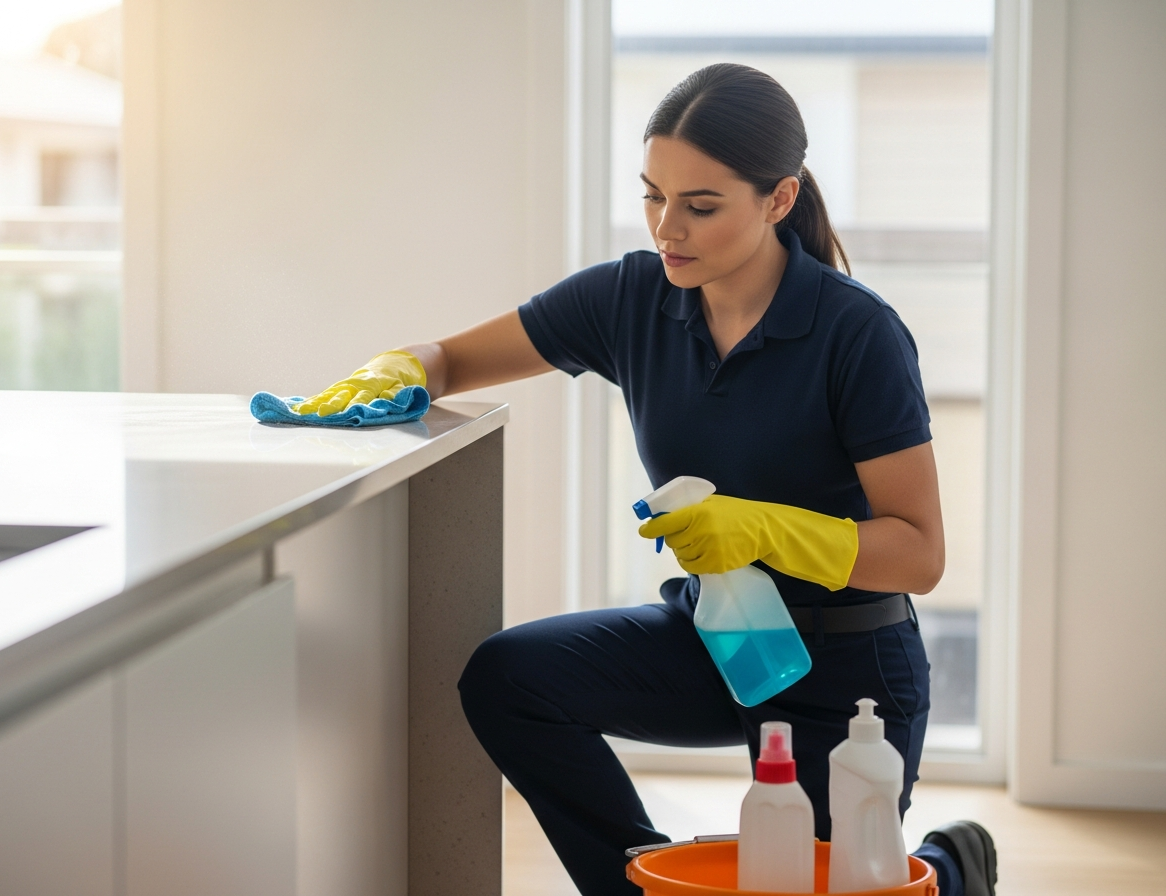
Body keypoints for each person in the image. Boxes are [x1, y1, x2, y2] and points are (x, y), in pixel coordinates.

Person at [306, 64, 996, 896]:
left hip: (847, 666)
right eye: (653, 195)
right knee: (509, 679)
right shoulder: (632, 298)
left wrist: (764, 527)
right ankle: (648, 886)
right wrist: (397, 367)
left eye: (701, 205)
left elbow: (920, 554)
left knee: (819, 886)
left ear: (779, 200)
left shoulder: (857, 334)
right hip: (720, 637)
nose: (669, 227)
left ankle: (950, 872)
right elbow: (451, 357)